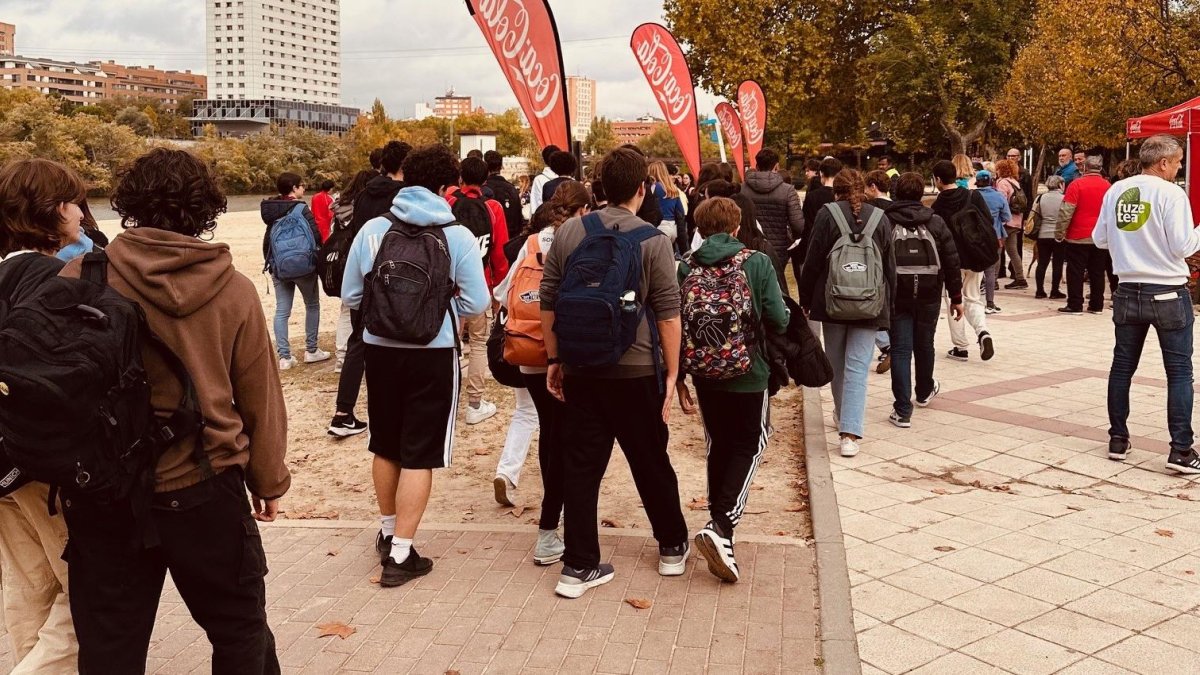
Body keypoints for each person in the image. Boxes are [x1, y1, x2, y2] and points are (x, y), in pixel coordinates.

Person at [59, 147, 289, 673]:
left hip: (107, 492)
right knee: (239, 632)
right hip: (205, 483)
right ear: (205, 209)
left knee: (110, 648)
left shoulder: (81, 277)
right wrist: (268, 482)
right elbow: (260, 399)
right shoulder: (233, 289)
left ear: (130, 204)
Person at [539, 146, 689, 598]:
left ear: (599, 187)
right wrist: (672, 375)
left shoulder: (568, 233)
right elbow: (667, 313)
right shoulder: (654, 240)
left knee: (581, 466)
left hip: (583, 365)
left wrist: (554, 358)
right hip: (636, 368)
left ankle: (579, 564)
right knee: (650, 460)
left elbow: (549, 300)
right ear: (643, 189)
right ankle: (671, 546)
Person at [341, 144, 489, 587]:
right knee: (420, 451)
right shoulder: (456, 234)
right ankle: (402, 555)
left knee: (385, 443)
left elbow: (350, 295)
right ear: (448, 187)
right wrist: (442, 310)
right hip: (434, 352)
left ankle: (388, 533)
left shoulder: (372, 229)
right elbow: (477, 301)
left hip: (379, 350)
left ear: (404, 177)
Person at [674, 197, 789, 582]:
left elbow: (675, 322)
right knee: (751, 442)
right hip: (749, 371)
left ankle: (719, 524)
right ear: (737, 228)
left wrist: (677, 378)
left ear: (700, 229)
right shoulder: (755, 262)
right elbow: (777, 316)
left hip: (704, 373)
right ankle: (722, 525)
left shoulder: (686, 266)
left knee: (718, 443)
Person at [0, 158, 83, 674]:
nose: (80, 212)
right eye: (73, 202)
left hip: (2, 466)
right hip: (41, 464)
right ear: (55, 211)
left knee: (29, 586)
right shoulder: (58, 281)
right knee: (89, 592)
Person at [492, 183, 591, 563]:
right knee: (566, 438)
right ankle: (552, 527)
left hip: (529, 352)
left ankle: (554, 522)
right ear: (582, 209)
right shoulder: (580, 242)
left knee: (550, 432)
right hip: (565, 353)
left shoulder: (533, 242)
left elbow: (503, 293)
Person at [1096, 135, 1200, 474]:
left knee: (1122, 367)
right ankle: (1181, 450)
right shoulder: (1171, 194)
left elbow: (1099, 238)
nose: (1180, 167)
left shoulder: (1115, 191)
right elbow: (1184, 246)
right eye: (1179, 161)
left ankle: (1118, 439)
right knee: (1180, 372)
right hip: (1168, 290)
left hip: (1127, 289)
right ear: (1164, 163)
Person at [798, 169, 896, 458]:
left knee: (837, 364)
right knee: (857, 368)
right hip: (870, 303)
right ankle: (849, 433)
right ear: (864, 188)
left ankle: (843, 416)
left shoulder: (827, 215)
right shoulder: (880, 218)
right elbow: (889, 267)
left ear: (835, 190)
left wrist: (806, 300)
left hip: (833, 302)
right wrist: (889, 306)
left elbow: (812, 259)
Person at [328, 143, 410, 437]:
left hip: (364, 273)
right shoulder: (403, 196)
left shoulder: (363, 194)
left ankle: (343, 412)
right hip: (394, 276)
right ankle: (394, 412)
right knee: (396, 345)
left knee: (358, 344)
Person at [884, 173, 963, 428]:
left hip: (897, 294)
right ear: (921, 194)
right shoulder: (935, 222)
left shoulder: (886, 220)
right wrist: (956, 297)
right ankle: (924, 391)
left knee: (900, 349)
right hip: (929, 293)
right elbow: (951, 261)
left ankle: (902, 410)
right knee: (925, 344)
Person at [447, 157, 511, 424]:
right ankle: (474, 403)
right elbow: (500, 254)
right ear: (486, 179)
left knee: (448, 345)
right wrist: (499, 291)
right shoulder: (493, 207)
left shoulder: (449, 203)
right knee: (478, 344)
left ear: (460, 176)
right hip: (480, 285)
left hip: (449, 287)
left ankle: (446, 400)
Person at [260, 172, 329, 370]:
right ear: (294, 188)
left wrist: (272, 263)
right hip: (303, 266)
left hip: (280, 267)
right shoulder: (301, 208)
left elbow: (268, 240)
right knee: (312, 305)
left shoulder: (271, 210)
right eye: (302, 185)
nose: (304, 188)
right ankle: (312, 350)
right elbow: (315, 235)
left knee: (282, 310)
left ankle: (284, 357)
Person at [931, 160, 996, 362]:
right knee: (974, 298)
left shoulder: (938, 206)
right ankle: (983, 332)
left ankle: (960, 347)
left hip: (952, 262)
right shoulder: (972, 195)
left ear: (938, 180)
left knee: (954, 300)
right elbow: (988, 221)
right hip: (976, 256)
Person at [1056, 155, 1112, 314]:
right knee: (1097, 272)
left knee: (1075, 271)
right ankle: (1096, 304)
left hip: (1077, 235)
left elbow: (1066, 211)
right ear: (1100, 169)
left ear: (1085, 168)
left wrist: (1060, 232)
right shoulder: (1108, 186)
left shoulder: (1076, 185)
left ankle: (1075, 304)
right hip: (1100, 237)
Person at [741, 148, 804, 275]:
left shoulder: (743, 189)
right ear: (776, 166)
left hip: (749, 246)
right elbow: (798, 224)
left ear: (757, 166)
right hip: (779, 248)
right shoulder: (787, 190)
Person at [974, 170, 1010, 314]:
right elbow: (1007, 216)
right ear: (991, 181)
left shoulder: (972, 196)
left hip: (975, 236)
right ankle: (990, 302)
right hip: (995, 236)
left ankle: (973, 300)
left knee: (975, 270)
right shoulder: (999, 196)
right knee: (990, 271)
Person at [1030, 175, 1067, 299]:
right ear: (1060, 185)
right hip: (1059, 235)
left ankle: (1039, 290)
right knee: (1057, 264)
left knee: (1042, 263)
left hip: (1042, 234)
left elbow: (1034, 213)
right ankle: (1054, 290)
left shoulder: (1041, 198)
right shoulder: (1064, 198)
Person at [994, 159, 1028, 289]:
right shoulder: (1015, 182)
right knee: (1013, 250)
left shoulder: (1003, 183)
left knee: (997, 250)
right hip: (1016, 220)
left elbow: (1001, 202)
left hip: (1005, 222)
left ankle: (994, 279)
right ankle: (1020, 278)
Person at [484, 150, 525, 240]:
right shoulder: (512, 188)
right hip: (512, 238)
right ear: (501, 166)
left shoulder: (484, 189)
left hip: (493, 239)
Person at [649, 160, 686, 250]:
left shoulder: (653, 188)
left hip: (659, 227)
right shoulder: (673, 189)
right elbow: (681, 213)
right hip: (673, 227)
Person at [529, 145, 561, 213]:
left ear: (544, 160)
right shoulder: (567, 178)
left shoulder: (539, 180)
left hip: (546, 219)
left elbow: (535, 206)